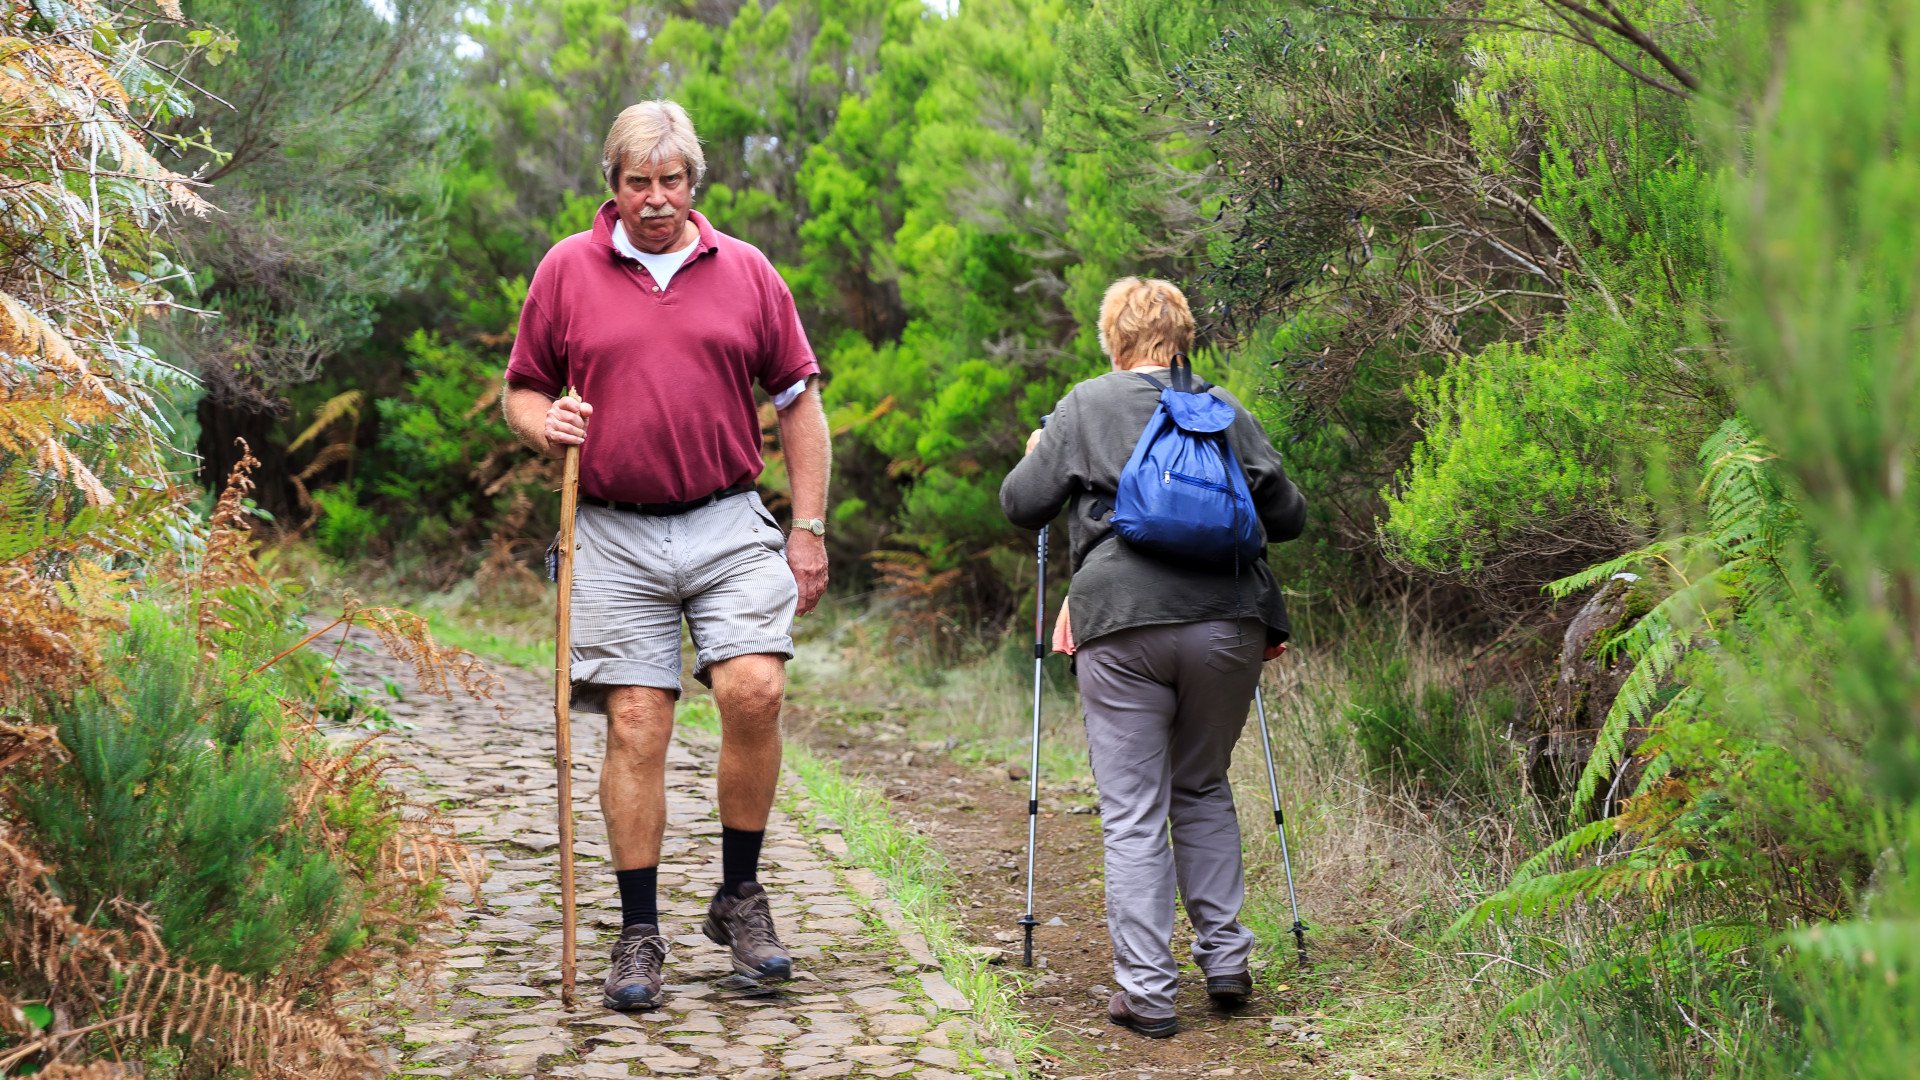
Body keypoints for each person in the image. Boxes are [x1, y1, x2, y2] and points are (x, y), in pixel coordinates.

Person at [502, 100, 832, 1012]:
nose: (656, 199)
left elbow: (799, 402)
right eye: (638, 182)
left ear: (695, 184)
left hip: (728, 519)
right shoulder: (568, 269)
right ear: (612, 184)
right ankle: (639, 931)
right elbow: (521, 390)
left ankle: (739, 896)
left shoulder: (749, 271)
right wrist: (547, 423)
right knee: (638, 720)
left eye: (672, 181)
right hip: (609, 526)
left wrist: (807, 526)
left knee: (754, 689)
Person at [999, 277, 1305, 1038]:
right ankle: (1227, 961)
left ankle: (1149, 994)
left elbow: (1020, 504)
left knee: (1135, 811)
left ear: (1114, 338)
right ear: (1184, 335)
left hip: (1121, 620)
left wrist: (1045, 450)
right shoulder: (1223, 407)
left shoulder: (1084, 405)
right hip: (1228, 620)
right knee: (1200, 784)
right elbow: (1290, 515)